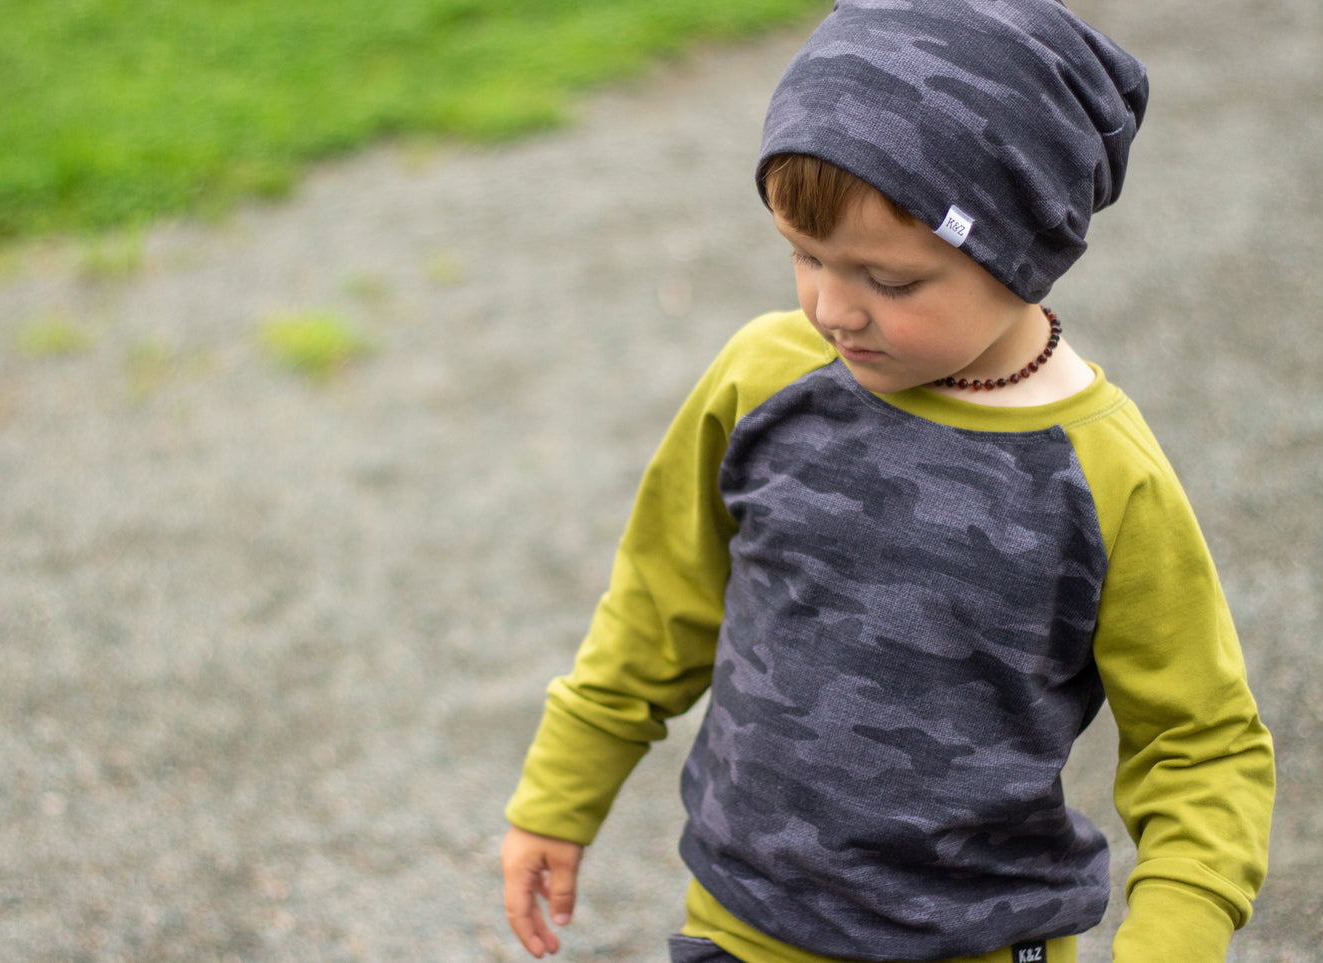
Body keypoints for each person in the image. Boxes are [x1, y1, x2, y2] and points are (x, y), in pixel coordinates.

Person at [499, 0, 1275, 960]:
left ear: (1025, 251)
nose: (831, 308)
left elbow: (1199, 744)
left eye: (889, 281)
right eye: (803, 256)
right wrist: (560, 791)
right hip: (744, 924)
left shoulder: (1103, 476)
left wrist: (1173, 936)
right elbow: (661, 598)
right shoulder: (764, 379)